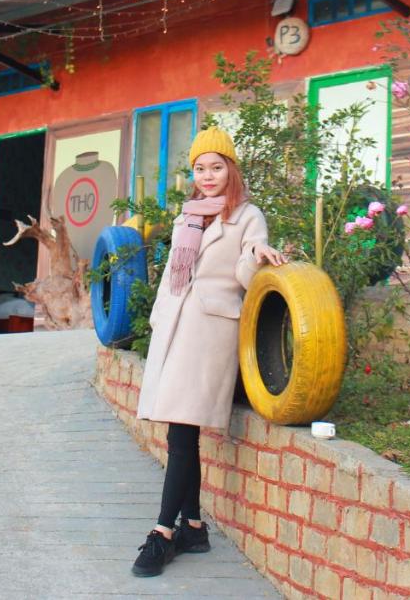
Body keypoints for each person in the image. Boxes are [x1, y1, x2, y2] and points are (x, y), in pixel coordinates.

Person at [131, 126, 287, 578]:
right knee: (181, 433)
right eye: (200, 168)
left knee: (182, 430)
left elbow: (243, 273)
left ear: (231, 168)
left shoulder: (248, 215)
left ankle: (162, 533)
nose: (208, 175)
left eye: (216, 167)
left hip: (210, 333)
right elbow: (171, 276)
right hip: (176, 328)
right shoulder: (188, 216)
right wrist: (159, 318)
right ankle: (193, 527)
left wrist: (258, 252)